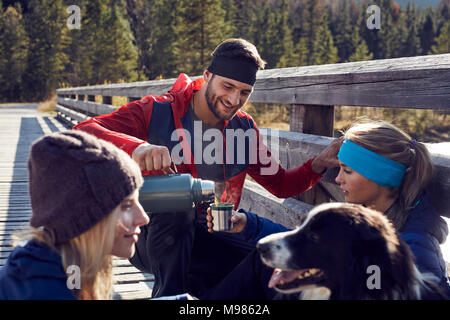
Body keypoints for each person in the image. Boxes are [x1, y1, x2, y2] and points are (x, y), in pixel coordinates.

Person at [73, 38, 342, 297]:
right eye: (227, 86)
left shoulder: (244, 129)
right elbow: (82, 133)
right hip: (149, 237)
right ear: (206, 76)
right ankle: (171, 298)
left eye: (244, 92)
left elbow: (281, 184)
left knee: (267, 269)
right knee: (177, 206)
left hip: (211, 237)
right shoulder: (156, 112)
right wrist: (136, 148)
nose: (234, 100)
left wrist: (317, 164)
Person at [207, 120, 449, 299]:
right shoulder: (370, 211)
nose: (337, 179)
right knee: (266, 263)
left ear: (381, 177)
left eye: (348, 170)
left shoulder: (415, 241)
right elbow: (315, 241)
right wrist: (249, 224)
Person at [0, 130, 149, 299]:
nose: (143, 218)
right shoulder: (48, 293)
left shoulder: (60, 270)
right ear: (82, 217)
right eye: (126, 206)